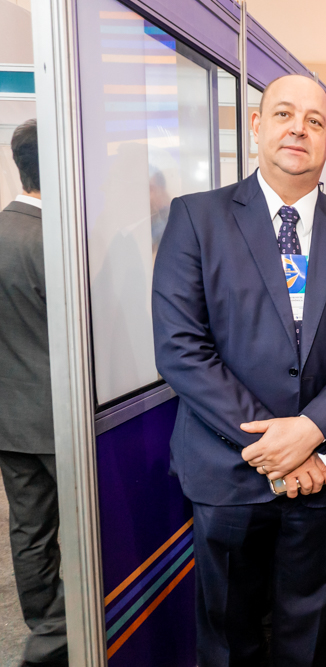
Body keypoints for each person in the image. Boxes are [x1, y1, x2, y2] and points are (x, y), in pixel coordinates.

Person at [152, 74, 326, 667]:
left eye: (315, 121)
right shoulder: (196, 219)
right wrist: (278, 446)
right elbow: (182, 348)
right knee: (229, 636)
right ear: (257, 126)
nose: (298, 129)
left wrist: (311, 432)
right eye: (284, 114)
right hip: (229, 470)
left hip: (325, 475)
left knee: (304, 634)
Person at [0, 119, 67, 667]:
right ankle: (66, 638)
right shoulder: (59, 245)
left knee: (30, 531)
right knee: (97, 526)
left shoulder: (2, 232)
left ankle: (47, 628)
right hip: (62, 420)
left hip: (10, 420)